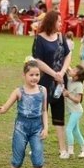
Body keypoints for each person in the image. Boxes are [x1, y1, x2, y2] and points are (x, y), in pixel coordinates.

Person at [0, 60, 48, 168]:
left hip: (37, 128)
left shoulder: (43, 91)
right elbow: (6, 106)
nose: (34, 78)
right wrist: (1, 109)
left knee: (38, 159)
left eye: (37, 75)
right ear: (24, 75)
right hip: (21, 128)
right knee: (17, 159)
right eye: (31, 74)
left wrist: (46, 128)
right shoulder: (19, 91)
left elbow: (44, 111)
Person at [32, 11, 71, 158]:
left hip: (60, 81)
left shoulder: (61, 37)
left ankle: (63, 149)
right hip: (45, 81)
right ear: (51, 22)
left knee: (59, 113)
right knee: (41, 113)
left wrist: (62, 72)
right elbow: (37, 61)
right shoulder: (39, 39)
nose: (61, 24)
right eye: (59, 21)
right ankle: (36, 146)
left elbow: (68, 54)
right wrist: (53, 74)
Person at [63, 65, 84, 159]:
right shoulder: (70, 80)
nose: (72, 70)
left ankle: (70, 151)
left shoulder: (79, 85)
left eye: (74, 70)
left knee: (68, 129)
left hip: (76, 111)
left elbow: (78, 100)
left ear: (77, 76)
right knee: (76, 131)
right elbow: (67, 68)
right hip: (71, 111)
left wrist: (68, 95)